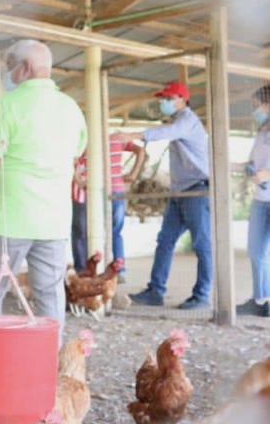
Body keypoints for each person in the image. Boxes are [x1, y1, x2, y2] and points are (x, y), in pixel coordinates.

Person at [0, 39, 86, 344]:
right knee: (50, 296)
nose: (7, 73)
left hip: (8, 219)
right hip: (53, 222)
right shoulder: (71, 108)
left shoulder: (6, 105)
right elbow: (76, 154)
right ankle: (46, 368)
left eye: (9, 66)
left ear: (25, 68)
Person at [120, 81, 210, 310]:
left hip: (197, 191)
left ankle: (202, 296)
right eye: (163, 99)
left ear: (181, 98)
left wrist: (132, 134)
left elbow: (166, 133)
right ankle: (155, 291)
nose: (164, 103)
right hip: (179, 191)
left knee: (201, 245)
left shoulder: (187, 121)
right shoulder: (177, 120)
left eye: (167, 99)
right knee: (165, 241)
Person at [70, 133, 146, 276]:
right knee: (114, 232)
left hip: (92, 192)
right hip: (113, 190)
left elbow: (73, 163)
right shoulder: (117, 137)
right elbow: (140, 150)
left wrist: (79, 181)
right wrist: (133, 174)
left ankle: (83, 270)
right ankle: (118, 269)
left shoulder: (86, 140)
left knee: (83, 232)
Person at [237, 85, 270, 318]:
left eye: (257, 106)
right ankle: (261, 299)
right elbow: (251, 164)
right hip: (261, 199)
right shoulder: (261, 134)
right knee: (256, 252)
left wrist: (266, 175)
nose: (254, 111)